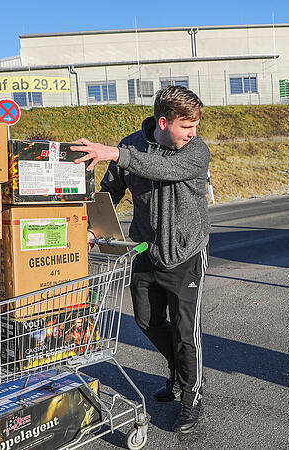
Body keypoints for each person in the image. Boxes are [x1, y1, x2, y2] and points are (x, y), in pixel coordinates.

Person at [72, 85, 210, 433]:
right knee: (147, 321)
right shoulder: (131, 144)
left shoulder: (196, 151)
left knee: (184, 331)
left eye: (195, 127)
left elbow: (162, 169)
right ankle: (179, 371)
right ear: (163, 121)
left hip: (185, 252)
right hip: (146, 249)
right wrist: (93, 227)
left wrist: (117, 154)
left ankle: (191, 395)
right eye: (187, 126)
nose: (194, 133)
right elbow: (112, 190)